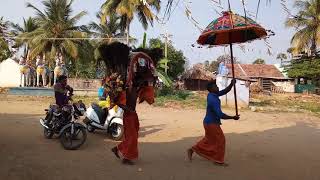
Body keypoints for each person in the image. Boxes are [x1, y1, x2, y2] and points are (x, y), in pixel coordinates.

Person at [187, 79, 240, 166]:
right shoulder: (213, 100)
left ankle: (192, 149)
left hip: (208, 123)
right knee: (221, 140)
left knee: (208, 139)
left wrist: (231, 84)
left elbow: (225, 91)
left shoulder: (212, 95)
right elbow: (220, 114)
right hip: (212, 124)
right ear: (211, 89)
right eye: (215, 86)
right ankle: (218, 160)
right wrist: (232, 117)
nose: (217, 87)